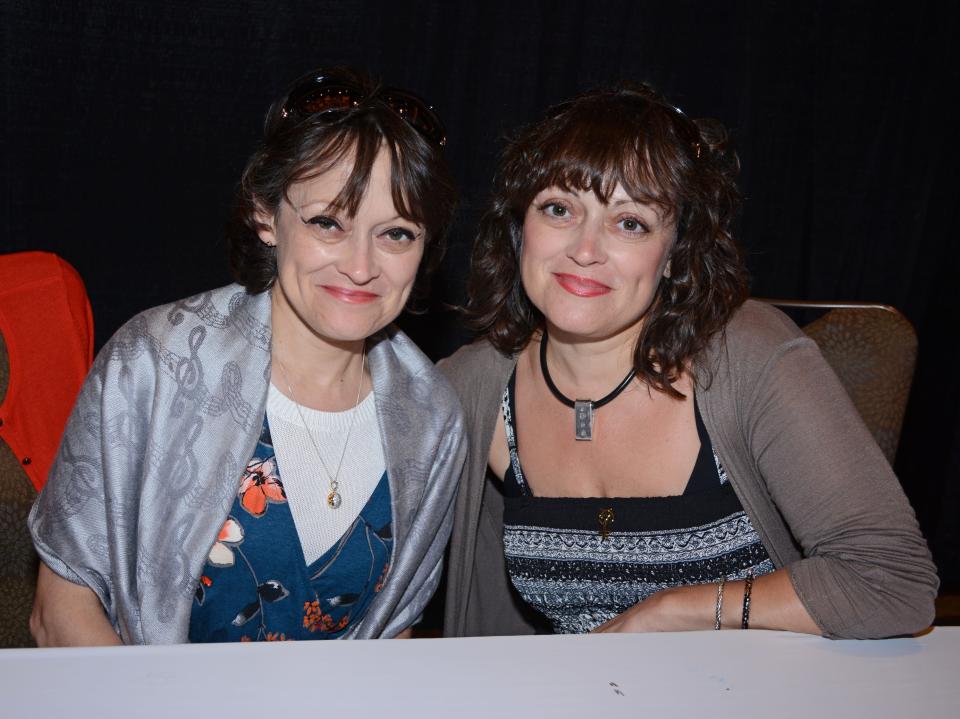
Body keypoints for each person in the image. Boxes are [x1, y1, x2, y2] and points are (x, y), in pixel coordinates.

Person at [441, 84, 937, 639]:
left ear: (676, 253)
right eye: (559, 209)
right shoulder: (472, 387)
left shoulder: (749, 357)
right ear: (519, 230)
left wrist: (680, 609)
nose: (585, 249)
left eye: (630, 223)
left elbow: (892, 583)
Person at [28, 67, 465, 644]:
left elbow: (394, 637)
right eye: (327, 223)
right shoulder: (154, 364)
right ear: (266, 214)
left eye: (397, 234)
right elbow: (60, 612)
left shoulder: (432, 416)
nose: (361, 266)